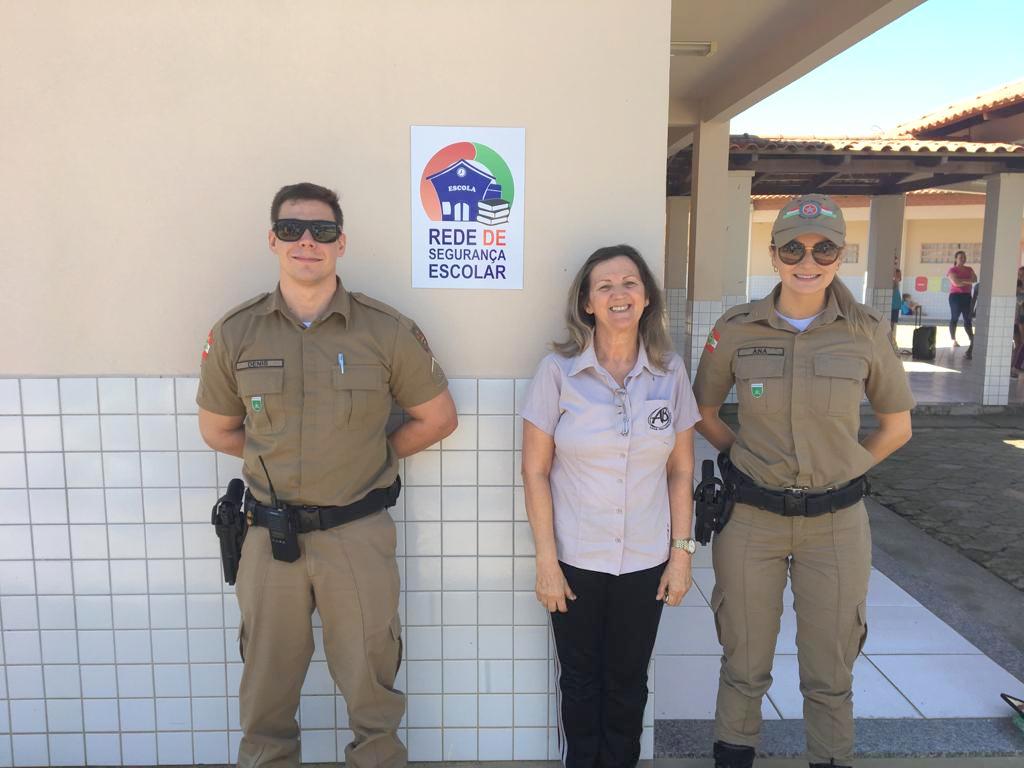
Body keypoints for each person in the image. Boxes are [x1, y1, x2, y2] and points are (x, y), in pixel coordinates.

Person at [196, 182, 458, 768]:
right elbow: (217, 430)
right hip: (268, 538)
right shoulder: (237, 333)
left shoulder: (384, 331)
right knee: (265, 702)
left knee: (373, 694)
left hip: (355, 535)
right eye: (291, 230)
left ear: (342, 243)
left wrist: (374, 453)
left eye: (322, 231)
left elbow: (438, 418)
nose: (307, 241)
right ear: (272, 240)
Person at [693, 194, 914, 768]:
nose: (807, 259)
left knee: (830, 667)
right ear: (773, 255)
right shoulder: (736, 328)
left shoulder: (866, 331)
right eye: (793, 247)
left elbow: (896, 427)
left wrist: (845, 469)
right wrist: (744, 460)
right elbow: (705, 411)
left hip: (837, 527)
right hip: (751, 523)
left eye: (823, 248)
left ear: (841, 255)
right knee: (744, 660)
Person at [520, 244, 701, 768]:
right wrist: (546, 561)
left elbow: (682, 469)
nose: (619, 294)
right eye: (605, 286)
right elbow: (534, 470)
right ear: (587, 304)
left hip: (646, 560)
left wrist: (681, 554)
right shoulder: (557, 373)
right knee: (579, 684)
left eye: (630, 283)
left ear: (646, 299)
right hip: (575, 559)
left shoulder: (670, 374)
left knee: (628, 684)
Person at [946, 249, 978, 358]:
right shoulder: (952, 270)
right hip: (955, 297)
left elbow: (975, 279)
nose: (963, 259)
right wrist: (967, 280)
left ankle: (972, 340)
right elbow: (956, 283)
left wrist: (962, 280)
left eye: (964, 257)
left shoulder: (969, 269)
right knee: (954, 317)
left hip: (967, 297)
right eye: (961, 257)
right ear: (956, 259)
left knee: (967, 319)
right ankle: (953, 339)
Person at [1013, 266, 1024, 377]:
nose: (1021, 276)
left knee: (1020, 344)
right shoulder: (1016, 286)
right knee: (1019, 344)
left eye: (1022, 274)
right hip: (1018, 319)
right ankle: (1015, 367)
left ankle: (1014, 368)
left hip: (1019, 318)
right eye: (1019, 274)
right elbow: (1020, 303)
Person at [890, 268, 902, 333]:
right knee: (892, 322)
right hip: (894, 305)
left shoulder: (896, 282)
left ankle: (891, 335)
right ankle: (890, 334)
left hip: (895, 305)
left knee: (892, 322)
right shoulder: (894, 282)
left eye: (899, 275)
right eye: (897, 275)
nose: (898, 276)